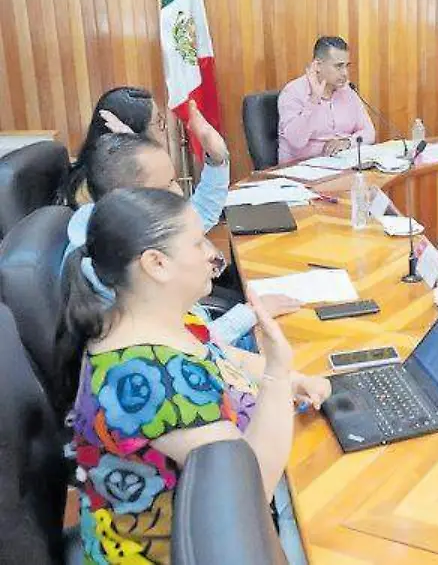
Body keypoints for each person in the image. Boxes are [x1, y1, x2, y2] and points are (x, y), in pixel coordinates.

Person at [61, 188, 330, 563]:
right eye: (197, 242)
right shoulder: (148, 381)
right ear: (156, 264)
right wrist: (277, 375)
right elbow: (249, 493)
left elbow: (223, 356)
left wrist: (295, 379)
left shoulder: (151, 318)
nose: (211, 253)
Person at [64, 133, 300, 348]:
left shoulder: (117, 227)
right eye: (167, 185)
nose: (178, 192)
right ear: (132, 199)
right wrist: (248, 315)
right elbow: (188, 345)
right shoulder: (117, 268)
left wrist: (217, 160)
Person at [59, 86, 171, 207]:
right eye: (158, 122)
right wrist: (136, 149)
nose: (164, 128)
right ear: (136, 130)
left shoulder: (98, 169)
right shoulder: (111, 185)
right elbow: (175, 208)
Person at [277, 35, 377, 164]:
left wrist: (347, 142)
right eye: (338, 66)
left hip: (339, 165)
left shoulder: (347, 90)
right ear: (318, 65)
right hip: (301, 168)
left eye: (347, 66)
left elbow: (369, 132)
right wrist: (314, 100)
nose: (345, 73)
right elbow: (296, 142)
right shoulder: (293, 92)